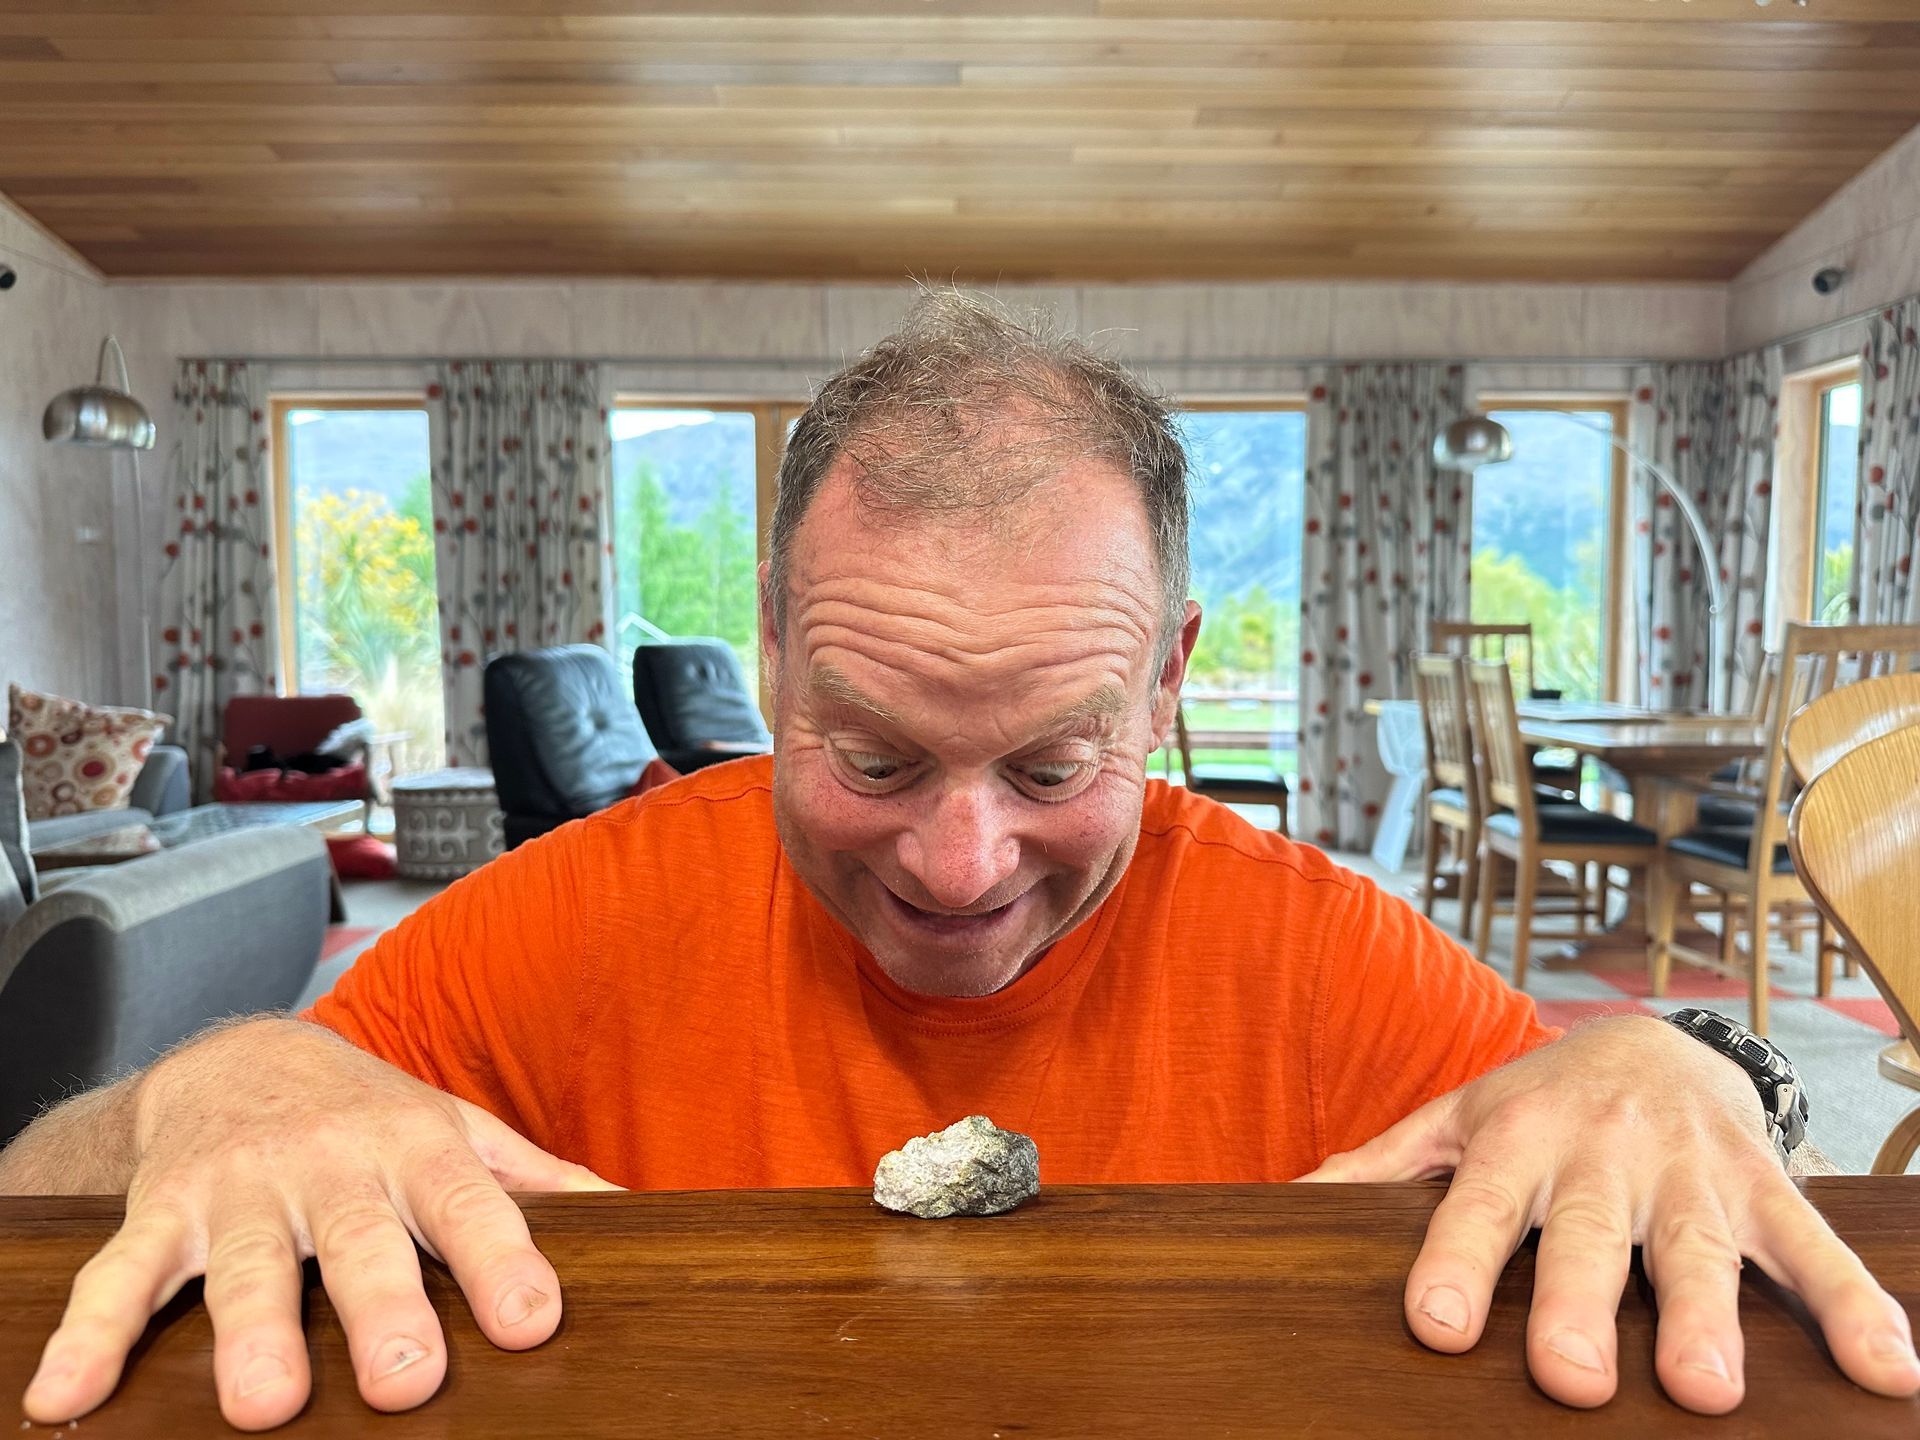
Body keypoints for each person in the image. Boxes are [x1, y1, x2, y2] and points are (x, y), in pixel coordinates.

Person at [4, 294, 1914, 1433]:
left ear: (1167, 687)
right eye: (872, 752)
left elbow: (1594, 1143)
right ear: (771, 662)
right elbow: (36, 1183)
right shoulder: (582, 914)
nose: (959, 860)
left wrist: (1664, 1064)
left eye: (1056, 761)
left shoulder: (1313, 953)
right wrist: (228, 1083)